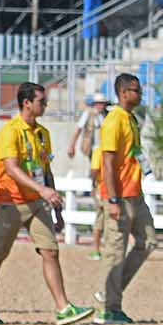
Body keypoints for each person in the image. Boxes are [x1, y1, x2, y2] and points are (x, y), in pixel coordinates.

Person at [0, 82, 93, 325]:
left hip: (37, 202)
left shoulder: (43, 134)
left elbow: (46, 171)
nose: (45, 106)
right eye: (41, 102)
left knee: (50, 251)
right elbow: (11, 168)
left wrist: (55, 206)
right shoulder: (10, 131)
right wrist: (42, 190)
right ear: (27, 103)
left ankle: (63, 308)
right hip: (10, 203)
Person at [95, 73, 155, 324]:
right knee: (115, 252)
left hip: (136, 194)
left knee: (148, 241)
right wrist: (112, 200)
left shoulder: (131, 119)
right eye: (135, 90)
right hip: (119, 196)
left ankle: (110, 293)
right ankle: (108, 308)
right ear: (122, 93)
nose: (139, 94)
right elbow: (107, 163)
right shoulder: (114, 121)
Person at [73, 89, 111, 256]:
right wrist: (72, 145)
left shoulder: (108, 116)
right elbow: (78, 130)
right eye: (98, 103)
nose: (100, 106)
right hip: (95, 151)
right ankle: (94, 188)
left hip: (105, 152)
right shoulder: (89, 115)